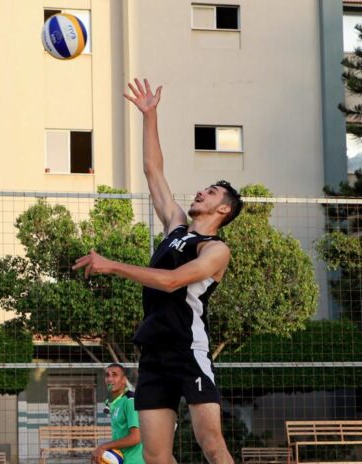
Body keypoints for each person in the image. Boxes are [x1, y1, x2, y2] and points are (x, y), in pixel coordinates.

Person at [73, 78, 243, 464]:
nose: (201, 191)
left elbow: (171, 282)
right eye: (204, 188)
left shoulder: (215, 250)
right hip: (153, 354)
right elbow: (153, 170)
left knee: (212, 444)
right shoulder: (176, 226)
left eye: (211, 192)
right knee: (155, 456)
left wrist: (111, 265)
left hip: (188, 349)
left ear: (223, 210)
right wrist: (149, 115)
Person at [92, 363, 144, 464]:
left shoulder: (130, 401)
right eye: (107, 375)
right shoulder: (115, 402)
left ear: (124, 380)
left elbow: (136, 438)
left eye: (114, 375)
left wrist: (104, 447)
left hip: (134, 461)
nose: (110, 379)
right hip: (121, 459)